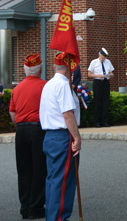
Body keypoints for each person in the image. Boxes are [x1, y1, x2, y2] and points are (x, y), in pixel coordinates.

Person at [40, 52, 82, 221]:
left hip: (51, 136)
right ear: (70, 69)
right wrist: (77, 137)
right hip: (63, 136)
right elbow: (67, 114)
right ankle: (59, 218)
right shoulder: (63, 85)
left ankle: (52, 216)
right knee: (63, 182)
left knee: (53, 180)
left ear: (54, 67)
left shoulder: (49, 84)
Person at [9, 54, 48, 219]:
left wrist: (19, 126)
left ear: (25, 70)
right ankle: (36, 208)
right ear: (40, 70)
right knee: (39, 168)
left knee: (24, 170)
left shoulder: (17, 89)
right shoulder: (45, 86)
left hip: (21, 130)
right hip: (38, 129)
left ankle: (25, 207)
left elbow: (12, 112)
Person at [87, 48, 114, 128]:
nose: (103, 59)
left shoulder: (108, 62)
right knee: (97, 102)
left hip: (106, 82)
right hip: (98, 82)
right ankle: (96, 122)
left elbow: (111, 72)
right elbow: (89, 74)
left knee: (105, 102)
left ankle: (104, 121)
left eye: (104, 58)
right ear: (99, 55)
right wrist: (97, 75)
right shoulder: (94, 62)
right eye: (102, 57)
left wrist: (111, 75)